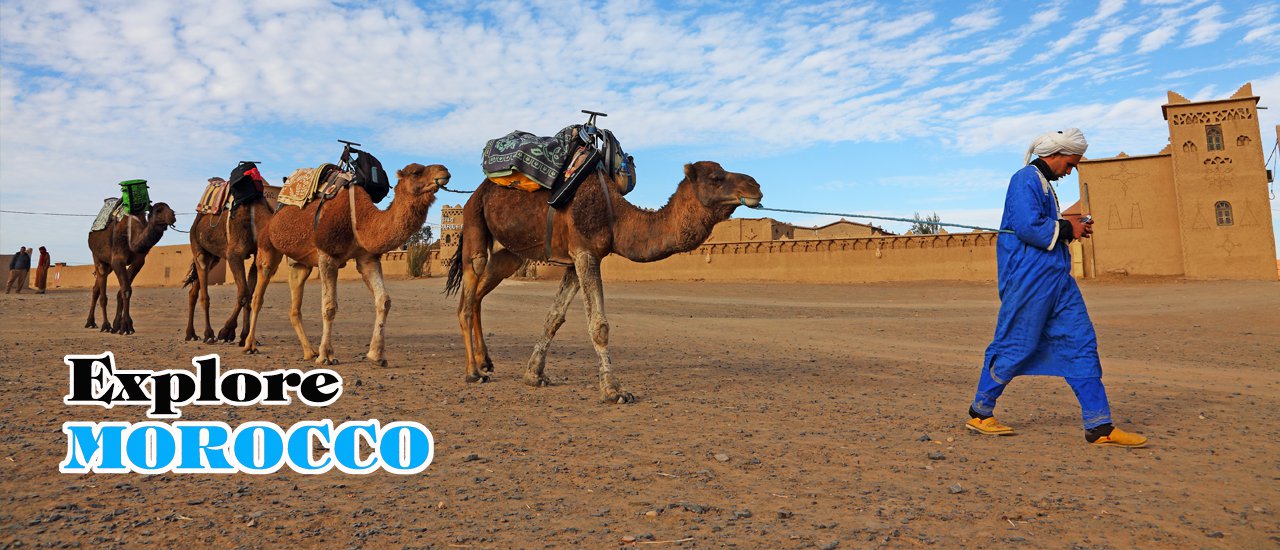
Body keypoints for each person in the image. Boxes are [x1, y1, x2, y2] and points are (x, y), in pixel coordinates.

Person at [965, 128, 1147, 448]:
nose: (1071, 169)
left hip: (1058, 281)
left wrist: (1071, 230)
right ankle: (980, 411)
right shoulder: (1025, 179)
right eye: (1072, 163)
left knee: (1081, 342)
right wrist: (1067, 227)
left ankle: (1099, 425)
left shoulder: (1045, 185)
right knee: (1016, 344)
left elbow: (1044, 228)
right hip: (1029, 280)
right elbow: (1027, 226)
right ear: (1058, 155)